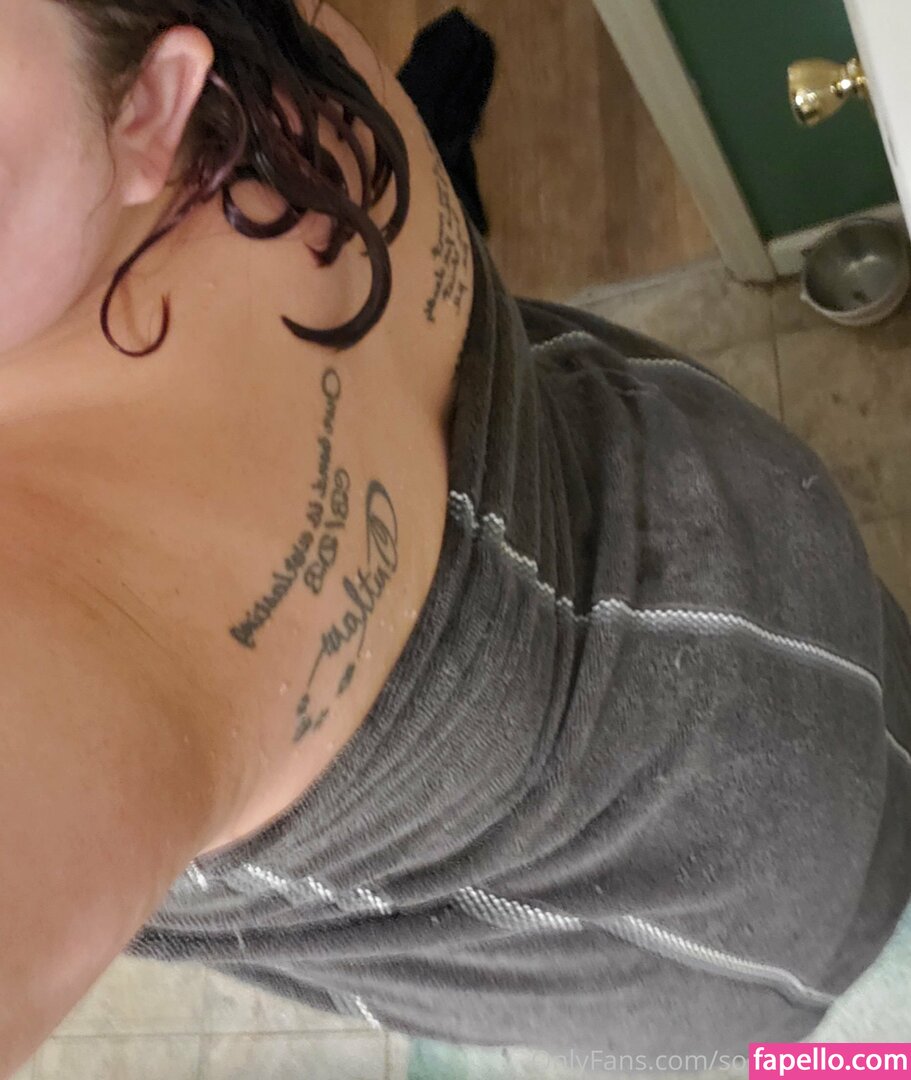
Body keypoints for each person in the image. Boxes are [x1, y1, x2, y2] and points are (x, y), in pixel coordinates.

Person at [1, 2, 909, 1075]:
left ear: (155, 105)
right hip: (758, 537)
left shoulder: (55, 630)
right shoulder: (278, 38)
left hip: (730, 907)